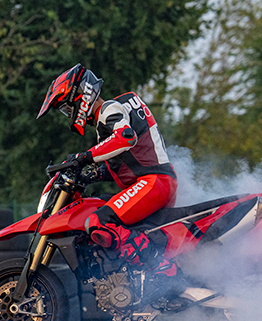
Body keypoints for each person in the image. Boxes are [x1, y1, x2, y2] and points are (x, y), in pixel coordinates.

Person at [37, 63, 182, 302]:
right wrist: (90, 174)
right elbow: (129, 161)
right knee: (100, 211)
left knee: (98, 221)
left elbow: (125, 137)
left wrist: (84, 157)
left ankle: (162, 269)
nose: (69, 114)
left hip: (154, 182)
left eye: (67, 107)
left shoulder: (108, 109)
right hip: (154, 181)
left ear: (81, 96)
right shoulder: (107, 118)